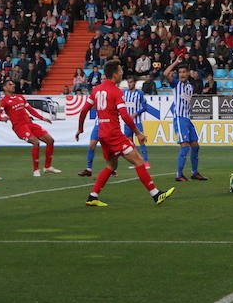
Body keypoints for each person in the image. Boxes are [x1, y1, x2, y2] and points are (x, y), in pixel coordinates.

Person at [75, 60, 175, 207]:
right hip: (113, 134)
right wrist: (138, 133)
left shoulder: (96, 90)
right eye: (120, 71)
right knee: (139, 161)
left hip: (102, 133)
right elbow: (125, 115)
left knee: (111, 166)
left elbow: (84, 110)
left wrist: (80, 128)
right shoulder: (116, 91)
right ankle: (156, 194)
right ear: (115, 74)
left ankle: (92, 196)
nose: (122, 73)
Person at [0, 80, 60, 177]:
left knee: (50, 140)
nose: (13, 85)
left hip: (30, 124)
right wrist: (2, 118)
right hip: (20, 127)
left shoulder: (20, 97)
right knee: (36, 142)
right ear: (4, 88)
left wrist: (42, 118)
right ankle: (36, 170)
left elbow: (30, 110)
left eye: (13, 84)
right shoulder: (4, 101)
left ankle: (47, 167)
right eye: (10, 84)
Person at [163, 56, 207, 182]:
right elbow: (166, 73)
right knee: (185, 146)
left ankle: (194, 172)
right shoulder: (176, 84)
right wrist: (176, 62)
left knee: (195, 146)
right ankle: (179, 174)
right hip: (179, 119)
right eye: (180, 72)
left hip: (187, 119)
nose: (182, 74)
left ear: (188, 73)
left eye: (184, 72)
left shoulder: (190, 87)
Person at [123, 75, 157, 169]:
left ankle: (146, 162)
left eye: (130, 82)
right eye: (128, 82)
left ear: (134, 83)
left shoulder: (140, 93)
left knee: (141, 140)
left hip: (137, 121)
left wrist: (135, 113)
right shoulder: (124, 93)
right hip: (127, 123)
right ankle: (136, 161)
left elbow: (145, 107)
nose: (129, 84)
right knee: (130, 143)